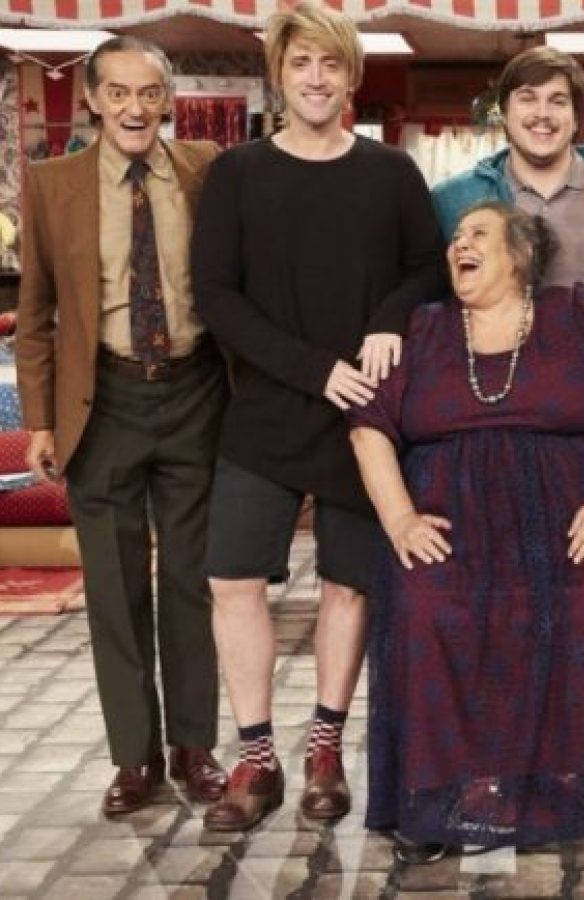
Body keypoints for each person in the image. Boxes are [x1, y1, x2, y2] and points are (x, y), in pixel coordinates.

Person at [190, 2, 446, 831]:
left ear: (350, 78)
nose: (315, 77)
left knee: (349, 582)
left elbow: (429, 270)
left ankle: (325, 751)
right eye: (300, 62)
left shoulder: (390, 173)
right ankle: (256, 757)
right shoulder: (236, 174)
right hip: (264, 413)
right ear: (278, 72)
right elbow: (216, 297)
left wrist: (389, 321)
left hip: (364, 419)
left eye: (331, 64)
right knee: (232, 578)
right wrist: (314, 368)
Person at [349, 201, 584, 859]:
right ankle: (437, 799)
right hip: (456, 529)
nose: (459, 245)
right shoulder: (425, 326)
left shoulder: (575, 312)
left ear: (520, 255)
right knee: (425, 609)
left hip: (569, 518)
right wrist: (400, 518)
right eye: (455, 237)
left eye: (478, 235)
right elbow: (368, 426)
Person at [15, 36, 227, 815]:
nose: (135, 108)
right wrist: (40, 421)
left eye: (150, 93)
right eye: (119, 93)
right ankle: (135, 757)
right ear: (94, 99)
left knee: (190, 582)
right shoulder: (53, 184)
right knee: (114, 586)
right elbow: (35, 315)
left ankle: (195, 746)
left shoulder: (206, 169)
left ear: (167, 100)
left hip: (196, 393)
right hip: (100, 402)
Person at [432, 47, 584, 352]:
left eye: (558, 101)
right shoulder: (453, 200)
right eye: (527, 98)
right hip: (496, 377)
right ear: (504, 113)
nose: (543, 114)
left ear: (576, 118)